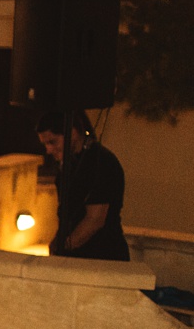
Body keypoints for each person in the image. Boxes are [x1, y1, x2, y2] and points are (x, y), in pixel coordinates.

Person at [36, 110, 129, 261]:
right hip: (77, 258)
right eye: (45, 144)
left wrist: (64, 249)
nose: (48, 150)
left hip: (102, 259)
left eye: (52, 142)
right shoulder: (68, 166)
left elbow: (95, 219)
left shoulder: (102, 162)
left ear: (72, 133)